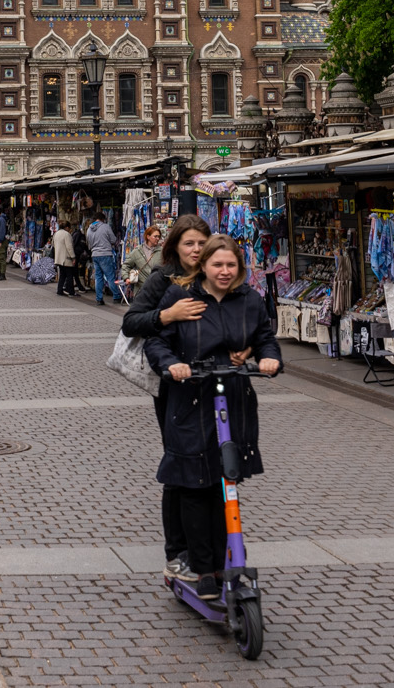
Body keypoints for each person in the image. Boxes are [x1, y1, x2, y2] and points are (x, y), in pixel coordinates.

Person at [143, 234, 281, 606]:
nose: (224, 271)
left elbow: (265, 338)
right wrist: (172, 364)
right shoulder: (181, 298)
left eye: (231, 265)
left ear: (240, 268)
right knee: (194, 486)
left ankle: (223, 564)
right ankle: (203, 567)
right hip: (191, 399)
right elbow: (156, 340)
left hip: (232, 399)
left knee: (226, 483)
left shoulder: (249, 300)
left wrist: (269, 357)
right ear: (203, 265)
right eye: (217, 264)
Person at [120, 214, 213, 578]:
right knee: (179, 464)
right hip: (173, 385)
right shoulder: (163, 278)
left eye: (201, 243)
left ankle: (206, 548)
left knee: (212, 465)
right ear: (175, 246)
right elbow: (131, 321)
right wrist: (167, 315)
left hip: (211, 382)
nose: (196, 250)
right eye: (189, 243)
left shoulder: (216, 275)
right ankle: (177, 552)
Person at [86, 211, 122, 305]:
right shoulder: (105, 227)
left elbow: (89, 243)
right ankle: (116, 296)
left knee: (98, 277)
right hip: (105, 254)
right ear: (103, 219)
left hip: (95, 254)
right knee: (110, 276)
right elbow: (113, 239)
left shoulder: (89, 229)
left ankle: (99, 299)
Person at [52, 216, 79, 296]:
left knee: (62, 275)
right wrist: (73, 257)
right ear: (67, 227)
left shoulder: (56, 234)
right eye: (69, 228)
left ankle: (60, 290)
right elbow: (69, 247)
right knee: (69, 275)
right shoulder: (67, 234)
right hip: (66, 258)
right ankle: (71, 291)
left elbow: (53, 245)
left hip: (59, 258)